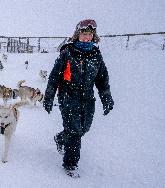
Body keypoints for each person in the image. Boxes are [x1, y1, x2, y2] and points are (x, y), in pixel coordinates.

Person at [43, 19, 114, 178]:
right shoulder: (67, 52)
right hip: (68, 95)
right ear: (77, 34)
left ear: (93, 36)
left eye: (89, 34)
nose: (86, 37)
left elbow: (102, 79)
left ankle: (60, 138)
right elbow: (54, 76)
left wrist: (106, 98)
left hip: (88, 98)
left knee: (83, 129)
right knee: (75, 131)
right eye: (84, 34)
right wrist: (49, 97)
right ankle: (70, 164)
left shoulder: (96, 54)